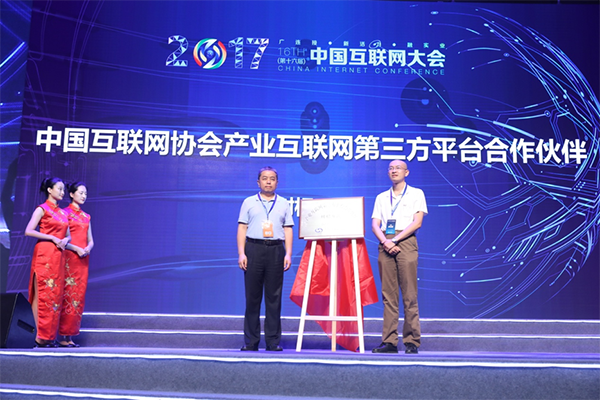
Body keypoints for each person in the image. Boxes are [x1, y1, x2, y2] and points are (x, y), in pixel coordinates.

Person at [371, 160, 428, 354]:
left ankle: (412, 341)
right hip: (385, 242)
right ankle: (389, 341)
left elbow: (417, 222)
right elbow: (375, 224)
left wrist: (395, 240)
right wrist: (385, 241)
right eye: (391, 168)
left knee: (409, 294)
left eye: (398, 168)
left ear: (406, 172)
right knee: (388, 295)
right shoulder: (381, 197)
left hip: (405, 241)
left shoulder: (416, 193)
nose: (394, 171)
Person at [237, 166, 294, 351]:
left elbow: (288, 229)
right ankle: (251, 341)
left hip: (276, 250)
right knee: (252, 297)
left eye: (272, 179)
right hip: (253, 249)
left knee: (274, 297)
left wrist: (288, 253)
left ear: (277, 182)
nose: (268, 182)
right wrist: (241, 253)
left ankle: (272, 341)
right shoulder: (248, 202)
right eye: (264, 178)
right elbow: (242, 228)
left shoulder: (284, 203)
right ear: (258, 182)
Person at [25, 177, 70, 348]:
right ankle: (38, 336)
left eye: (63, 189)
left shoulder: (63, 213)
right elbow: (29, 231)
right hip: (44, 253)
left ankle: (49, 336)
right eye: (59, 188)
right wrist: (51, 237)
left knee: (55, 295)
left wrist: (65, 240)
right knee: (42, 293)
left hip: (58, 255)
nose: (62, 192)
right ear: (49, 190)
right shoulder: (42, 209)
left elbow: (68, 235)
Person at [59, 182, 94, 347]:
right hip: (69, 258)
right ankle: (61, 335)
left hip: (83, 259)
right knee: (67, 294)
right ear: (71, 194)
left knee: (78, 296)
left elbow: (91, 239)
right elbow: (62, 239)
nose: (83, 196)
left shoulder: (86, 216)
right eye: (80, 193)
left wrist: (88, 248)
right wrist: (76, 249)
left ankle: (70, 335)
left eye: (85, 193)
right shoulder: (64, 213)